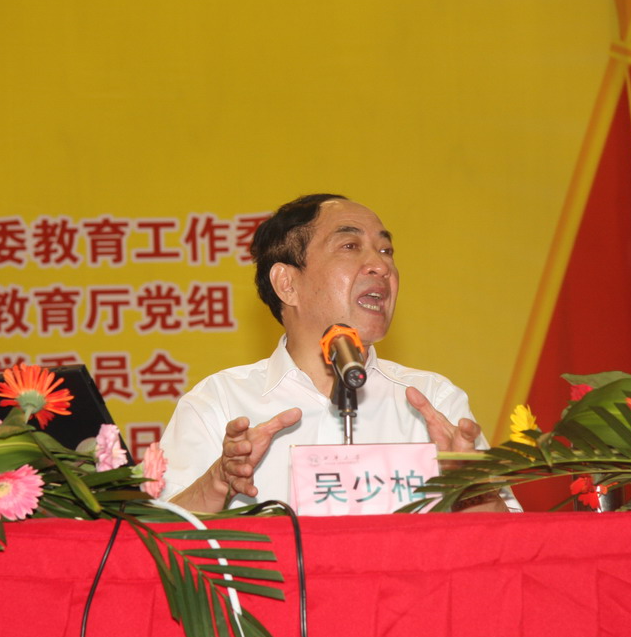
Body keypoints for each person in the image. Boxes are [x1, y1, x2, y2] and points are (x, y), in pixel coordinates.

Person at [159, 194, 520, 512]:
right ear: (287, 283)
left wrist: (471, 489)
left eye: (386, 251)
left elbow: (512, 545)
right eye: (350, 246)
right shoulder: (220, 403)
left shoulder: (434, 402)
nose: (382, 266)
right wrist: (218, 481)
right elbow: (151, 546)